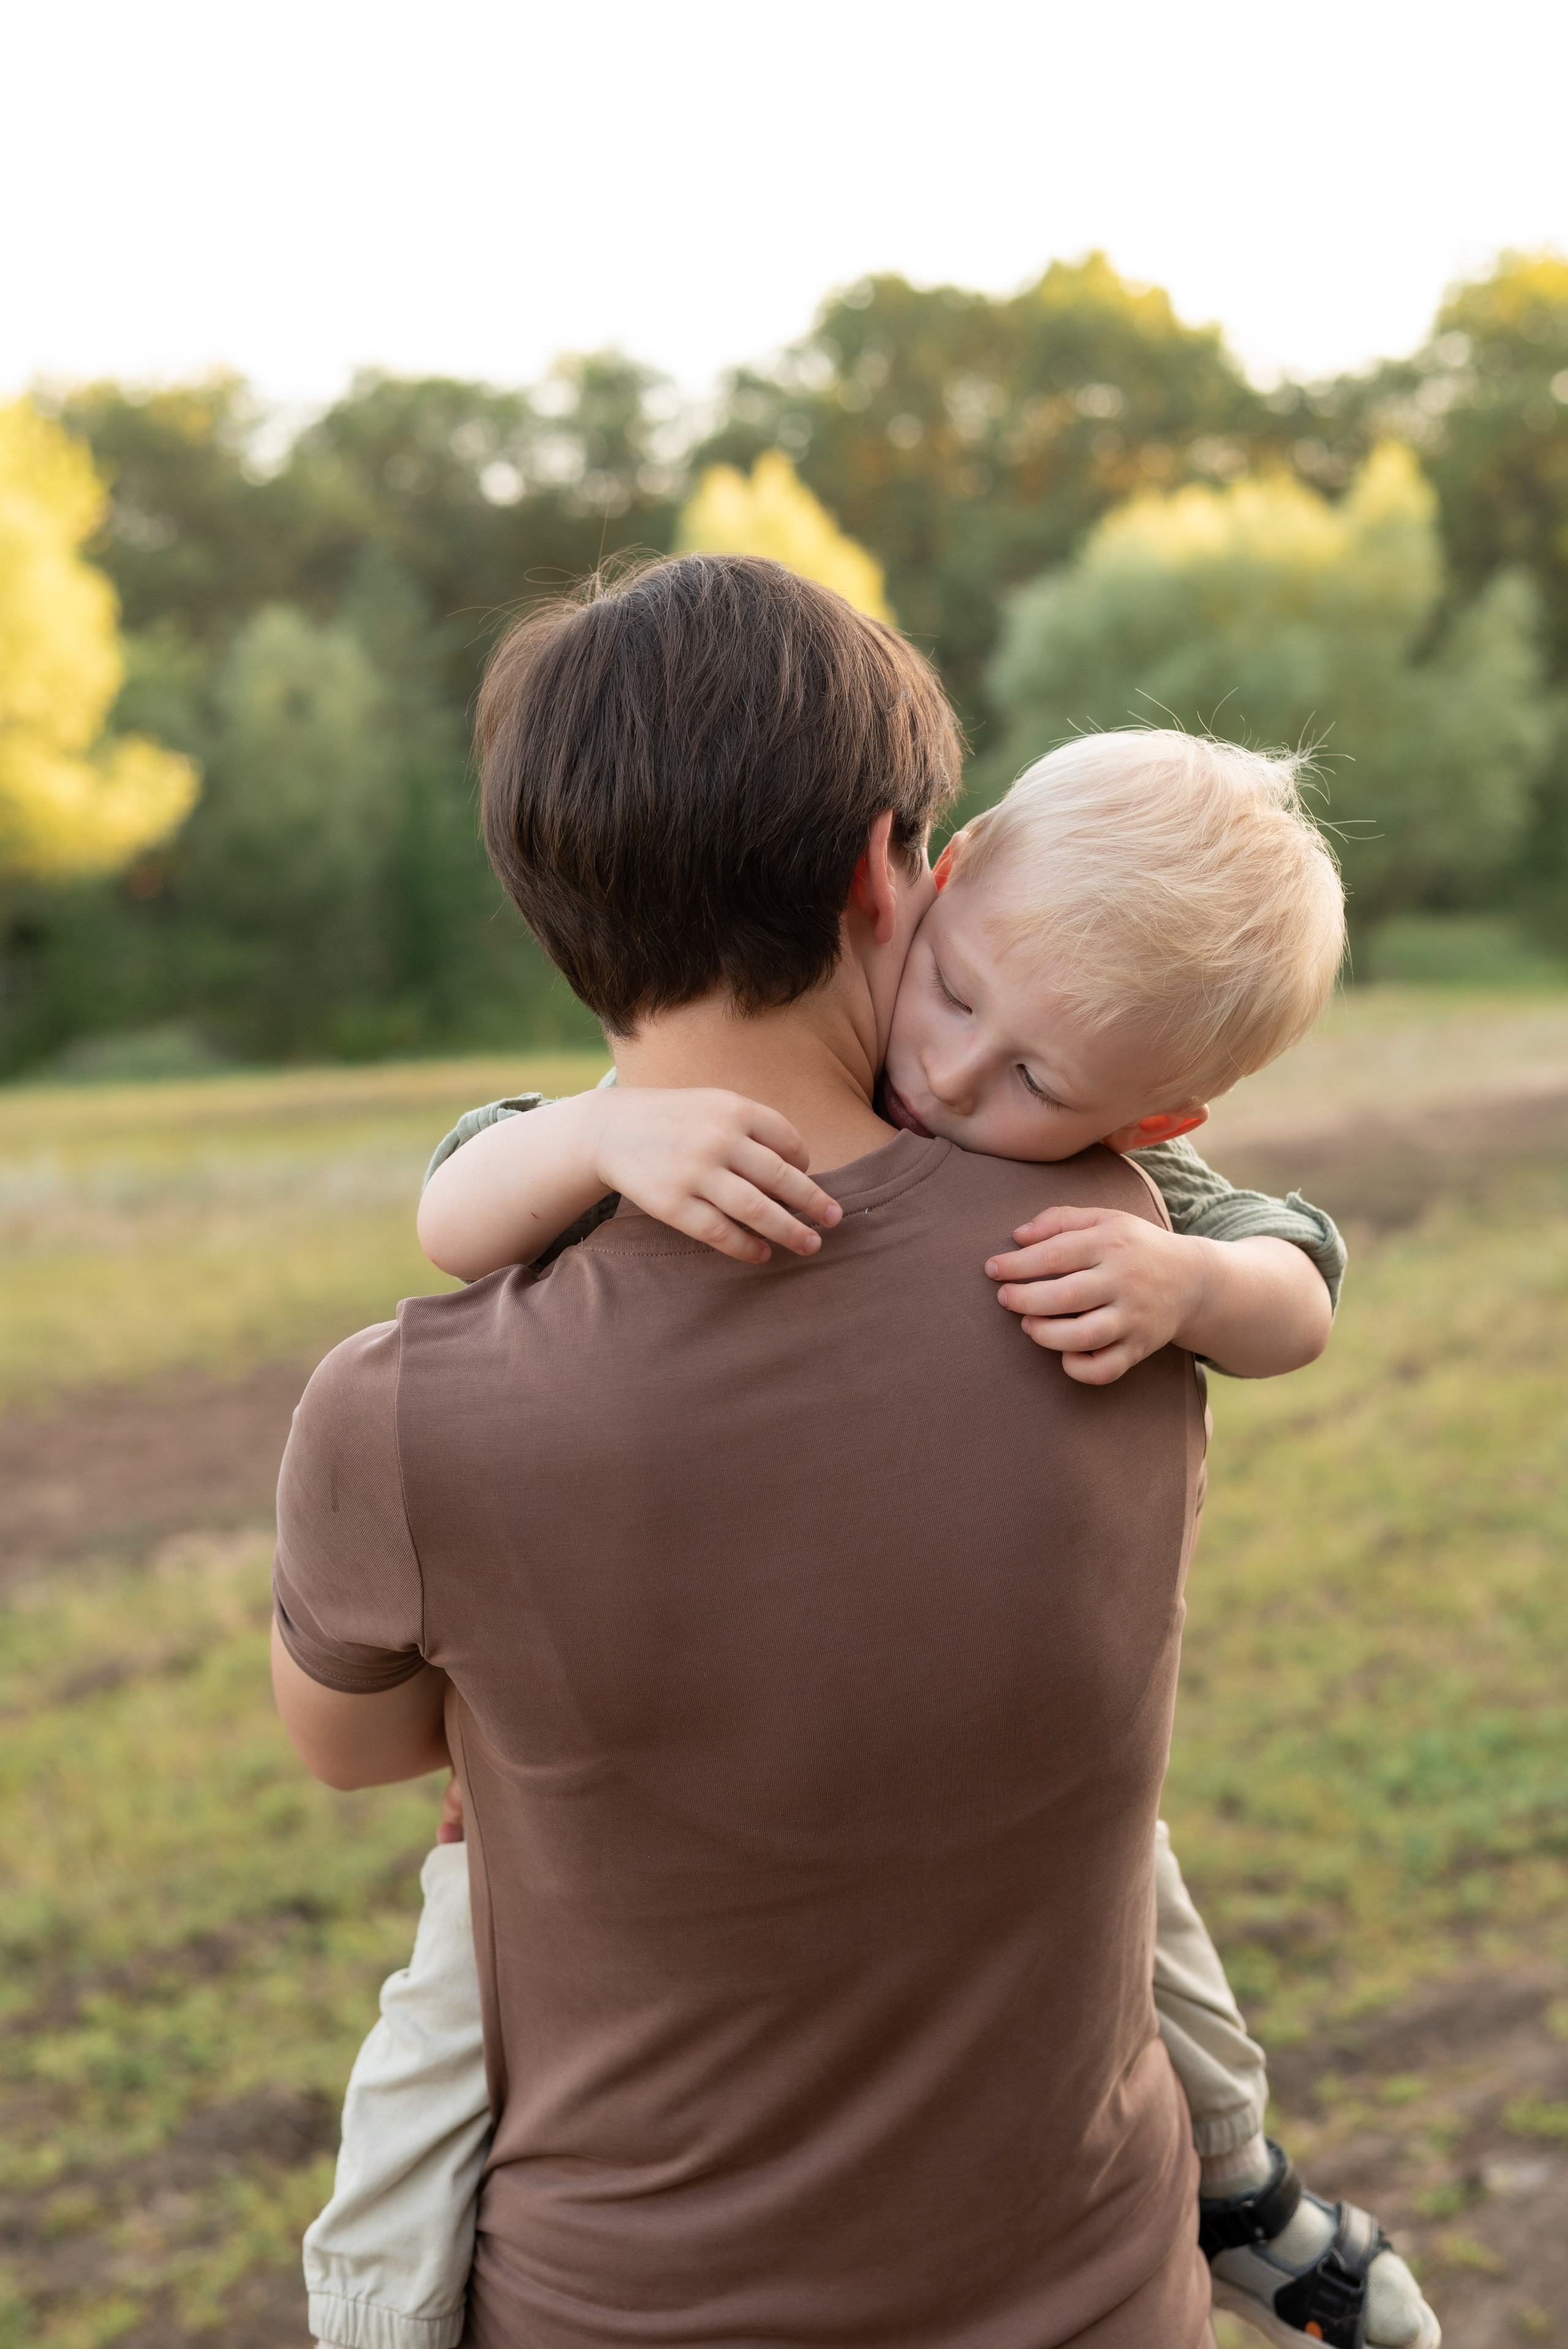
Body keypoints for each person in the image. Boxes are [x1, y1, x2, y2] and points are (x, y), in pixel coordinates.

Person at [270, 559, 1417, 2348]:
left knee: (426, 2066)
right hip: (1095, 2278)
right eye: (962, 996)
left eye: (1028, 1062)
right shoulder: (1086, 1249)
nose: (963, 1076)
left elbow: (356, 1749)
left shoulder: (398, 1410)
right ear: (905, 869)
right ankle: (1243, 2185)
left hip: (624, 2299)